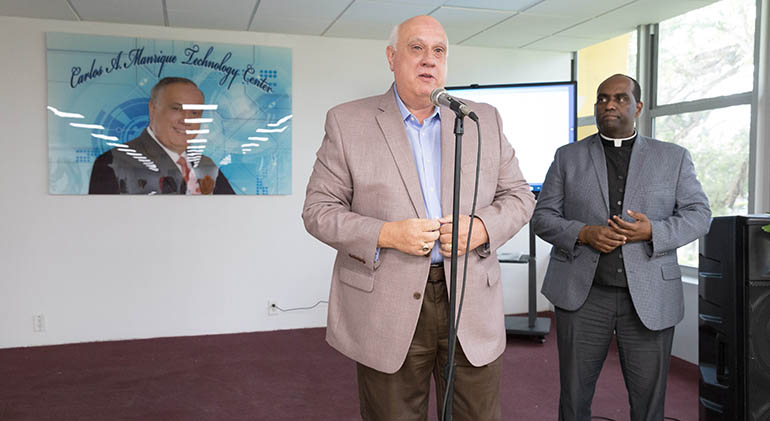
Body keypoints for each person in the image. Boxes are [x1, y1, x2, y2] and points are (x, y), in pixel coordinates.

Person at [302, 15, 534, 420]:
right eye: (417, 48)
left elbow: (518, 196)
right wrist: (386, 234)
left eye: (439, 51)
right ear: (392, 57)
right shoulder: (347, 121)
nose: (429, 59)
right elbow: (318, 211)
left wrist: (481, 228)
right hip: (388, 303)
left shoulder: (482, 120)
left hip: (469, 300)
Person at [531, 74, 711, 420]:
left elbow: (699, 215)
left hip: (648, 296)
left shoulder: (673, 158)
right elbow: (543, 218)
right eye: (602, 98)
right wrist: (584, 233)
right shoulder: (568, 157)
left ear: (638, 106)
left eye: (619, 98)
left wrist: (652, 231)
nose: (609, 105)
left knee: (648, 404)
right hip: (582, 297)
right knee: (574, 398)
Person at [89, 77, 234, 194]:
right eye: (177, 109)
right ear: (152, 109)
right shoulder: (114, 163)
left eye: (194, 113)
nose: (186, 120)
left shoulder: (206, 165)